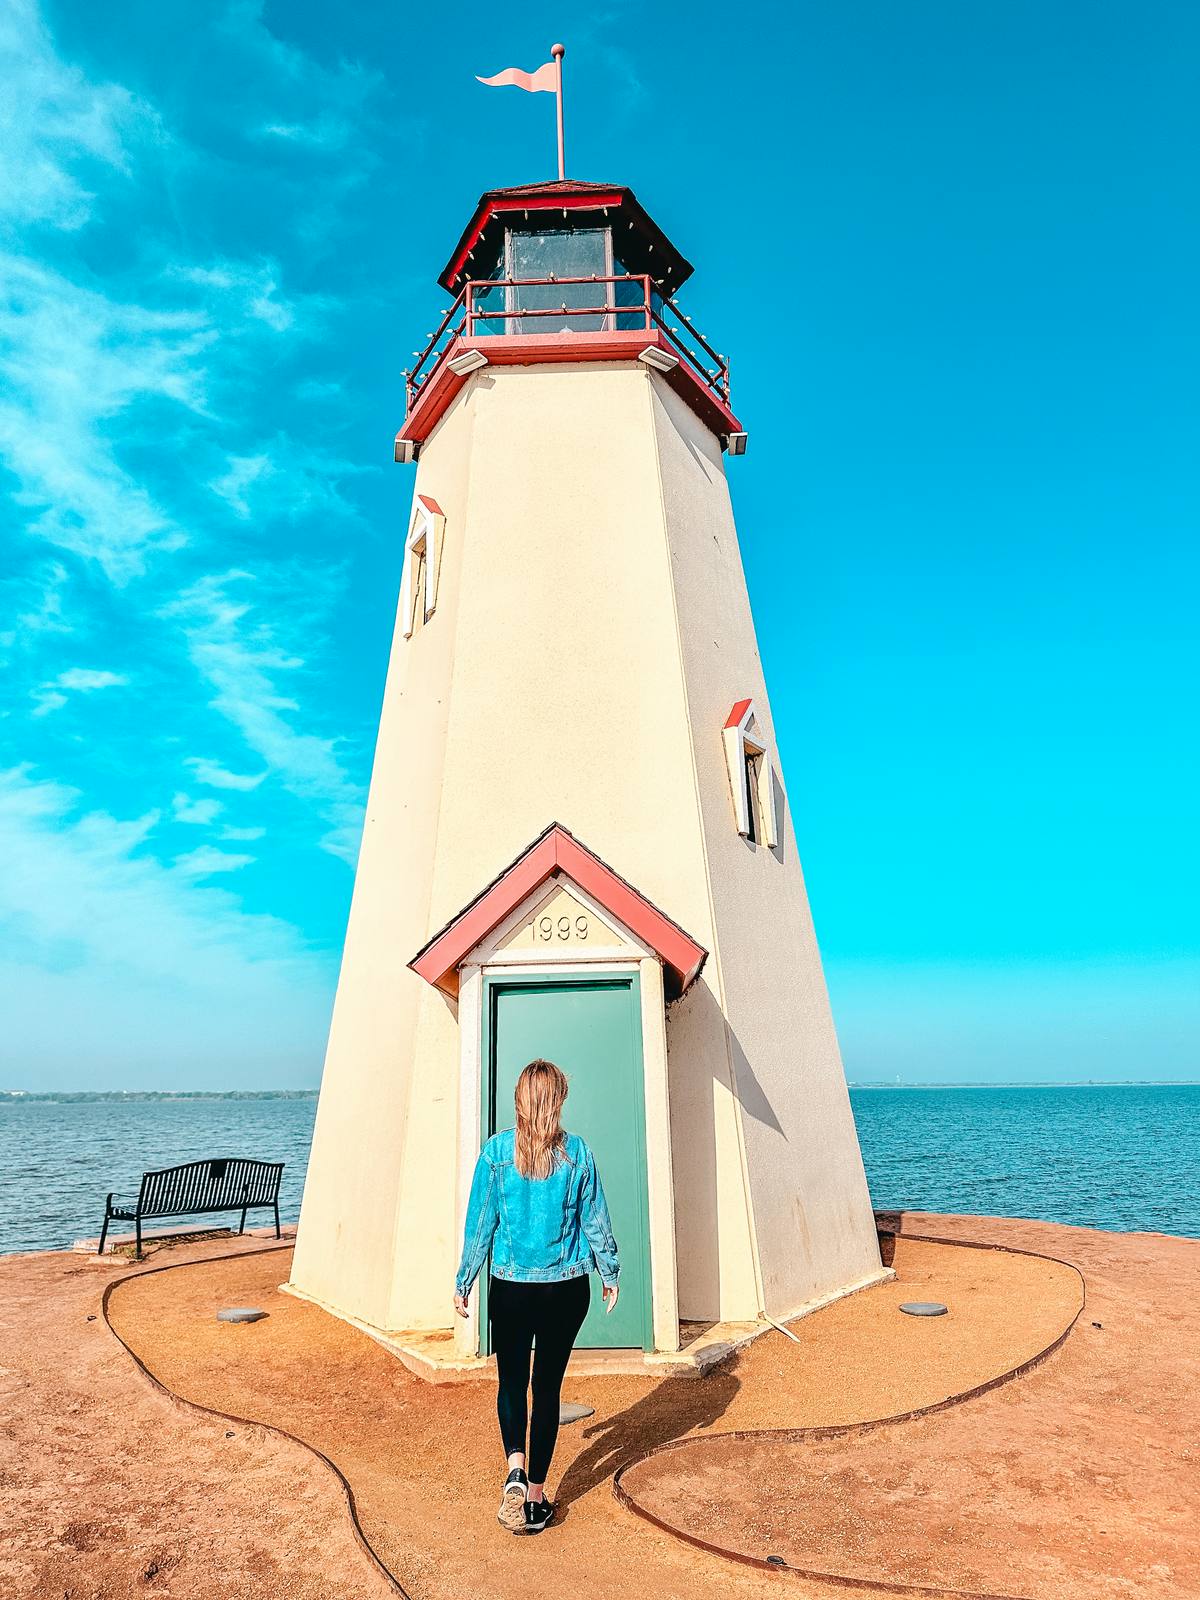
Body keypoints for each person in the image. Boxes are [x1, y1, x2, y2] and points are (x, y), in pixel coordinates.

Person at [454, 1058, 620, 1534]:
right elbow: (596, 1221)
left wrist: (465, 1279)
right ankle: (536, 1498)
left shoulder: (496, 1153)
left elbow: (480, 1224)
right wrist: (609, 1272)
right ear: (558, 1099)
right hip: (566, 1290)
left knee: (511, 1383)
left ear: (520, 1100)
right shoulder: (579, 1153)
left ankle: (514, 1469)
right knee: (546, 1390)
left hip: (510, 1288)